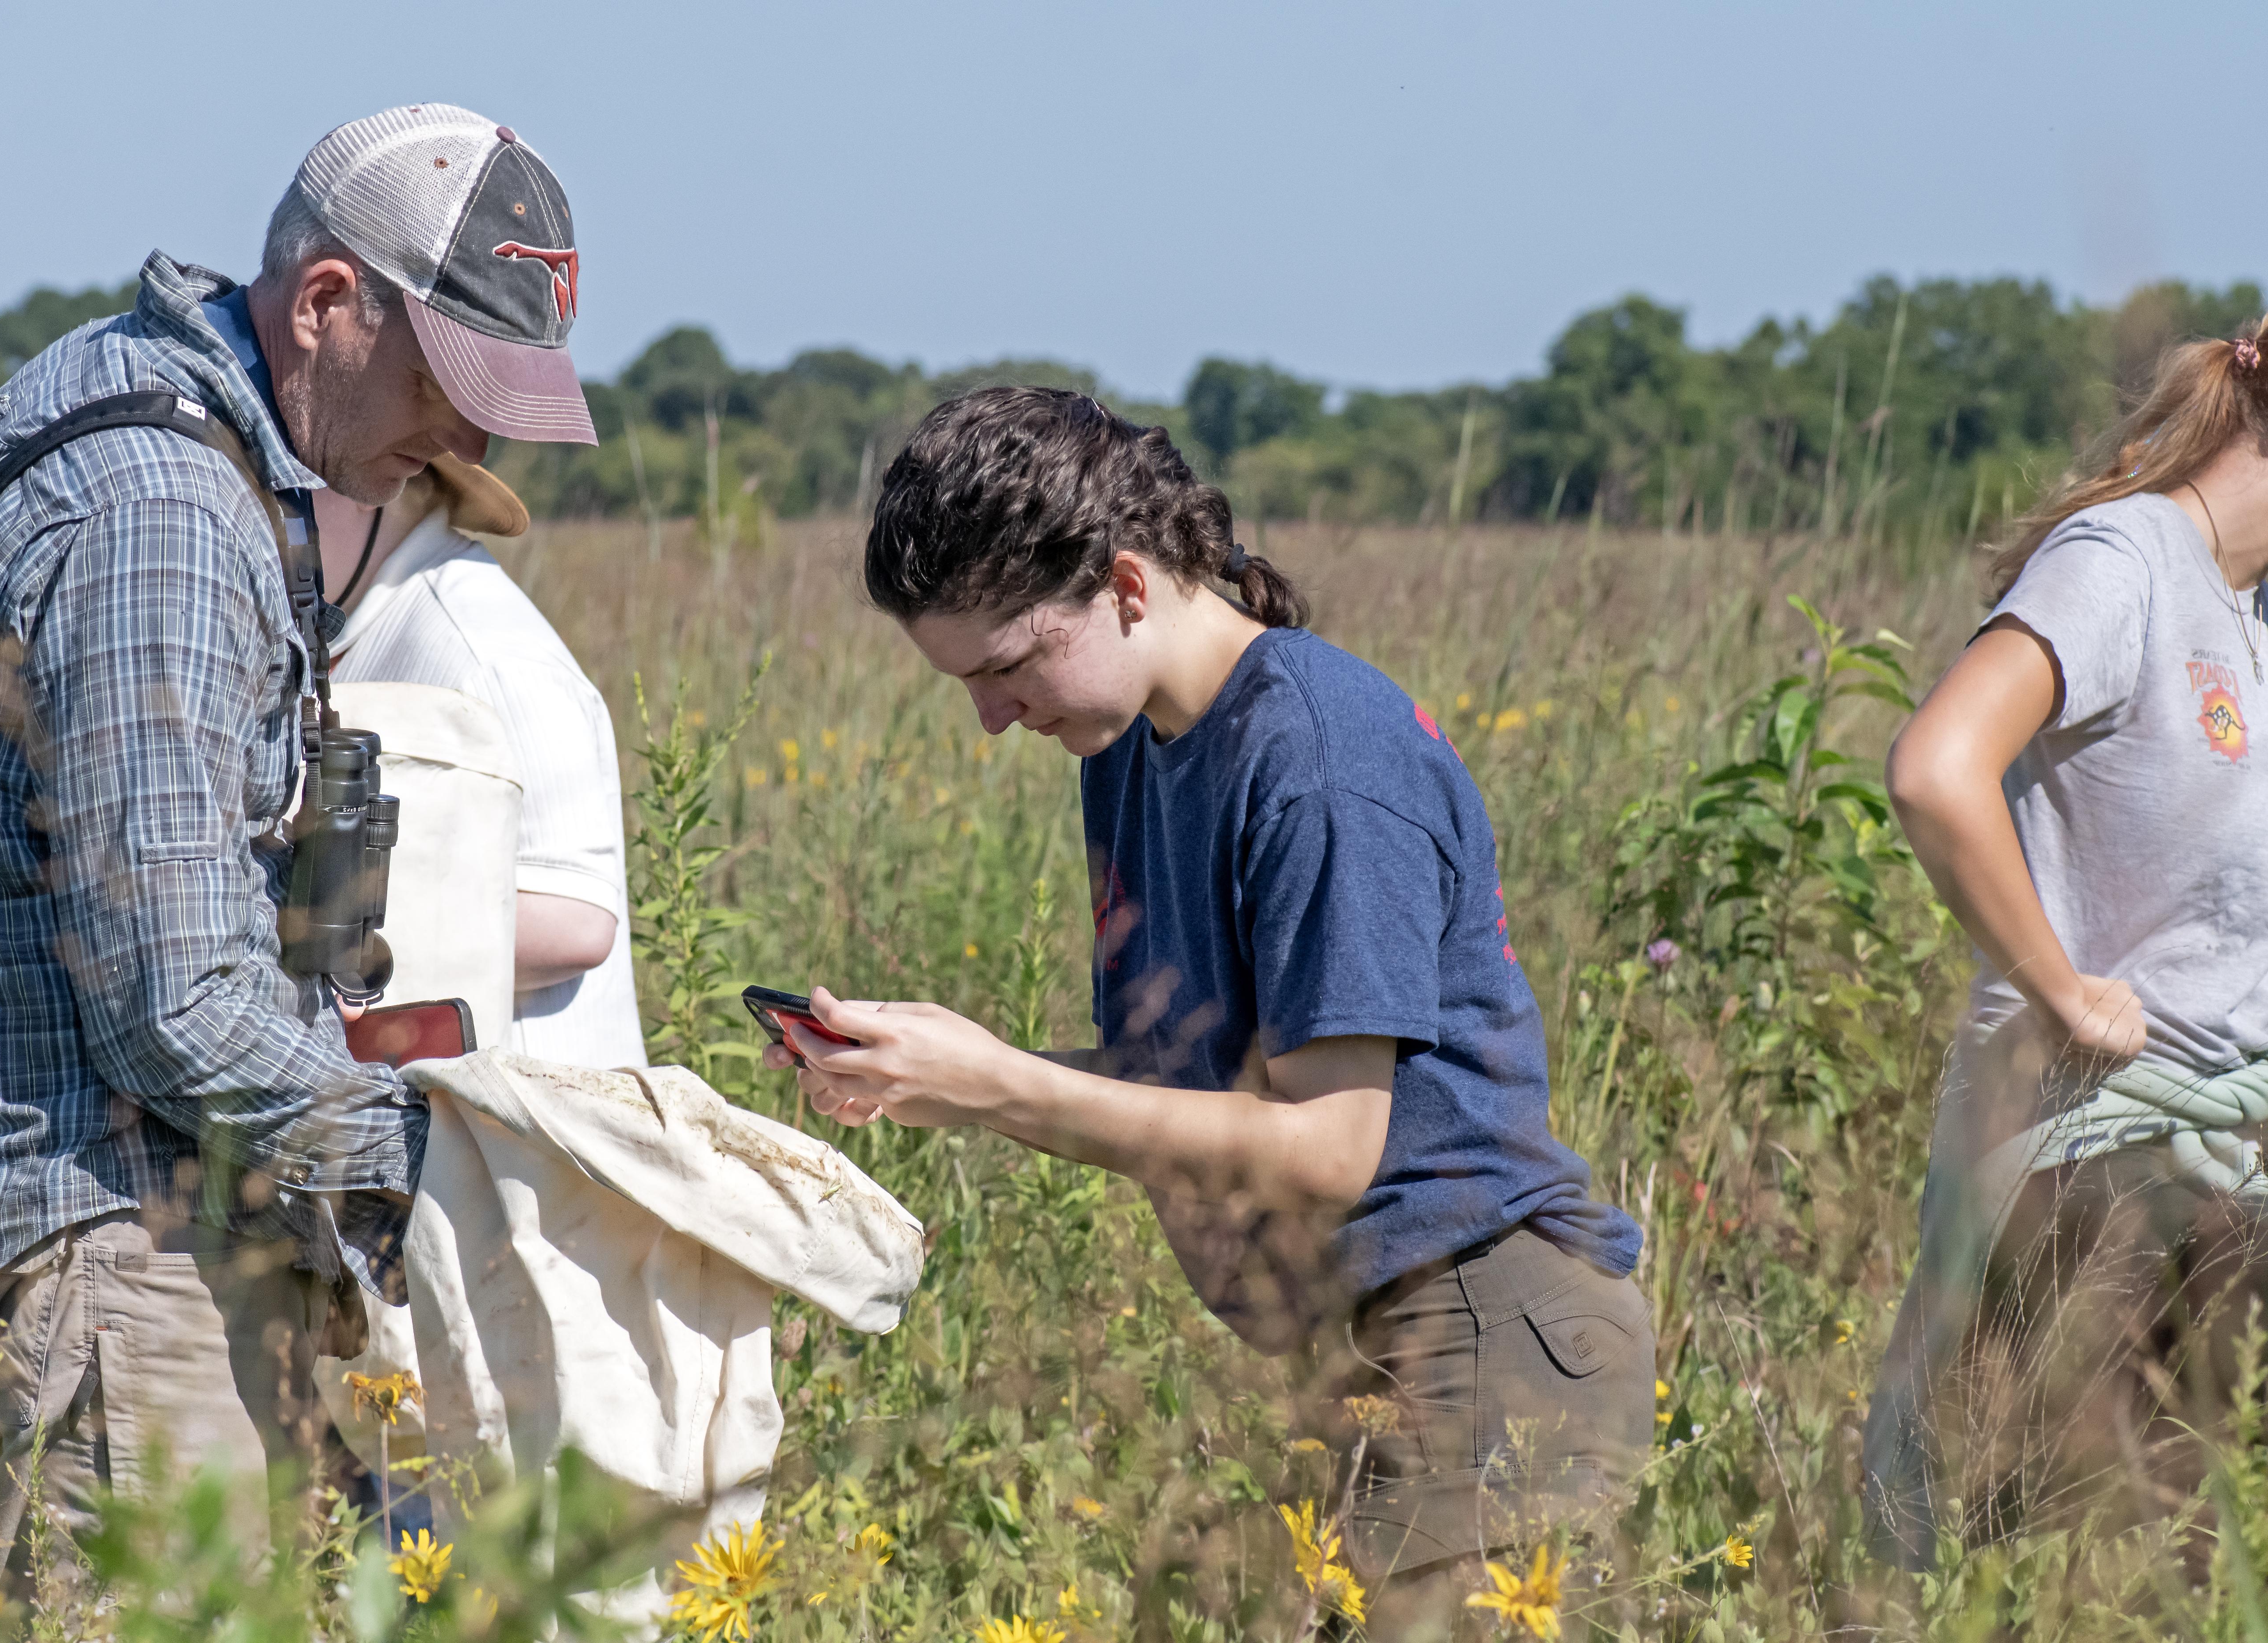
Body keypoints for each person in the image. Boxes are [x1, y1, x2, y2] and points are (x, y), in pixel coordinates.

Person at [767, 387, 1651, 1624]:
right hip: (1356, 1348)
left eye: (1010, 664)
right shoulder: (1129, 740)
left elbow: (1330, 1147)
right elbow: (1192, 1093)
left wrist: (1002, 1083)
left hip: (1483, 1339)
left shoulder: (1319, 759)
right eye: (962, 680)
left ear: (1127, 585)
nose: (989, 715)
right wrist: (945, 1076)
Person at [0, 103, 597, 1584]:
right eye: (446, 385)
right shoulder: (163, 513)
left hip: (76, 1242)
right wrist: (432, 1162)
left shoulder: (154, 413)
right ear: (327, 303)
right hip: (98, 1263)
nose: (464, 440)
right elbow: (175, 1004)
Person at [1864, 322, 2268, 1562]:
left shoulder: (2255, 623)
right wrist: (2062, 989)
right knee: (2065, 1580)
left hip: (2230, 1191)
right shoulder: (2129, 558)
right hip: (2102, 1173)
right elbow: (1937, 770)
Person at [314, 458, 646, 1067]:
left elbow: (578, 920)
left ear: (372, 483)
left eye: (281, 491)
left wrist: (304, 927)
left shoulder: (489, 655)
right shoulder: (366, 620)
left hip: (528, 1141)